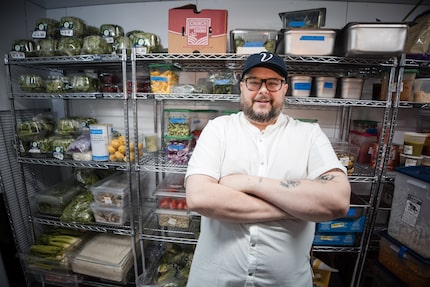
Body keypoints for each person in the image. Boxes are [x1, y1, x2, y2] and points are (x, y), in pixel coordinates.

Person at [184, 52, 351, 287]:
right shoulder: (218, 129)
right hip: (215, 279)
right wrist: (297, 208)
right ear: (242, 87)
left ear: (285, 88)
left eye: (273, 82)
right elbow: (199, 197)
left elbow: (338, 200)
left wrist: (248, 183)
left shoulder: (309, 134)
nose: (263, 90)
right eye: (254, 81)